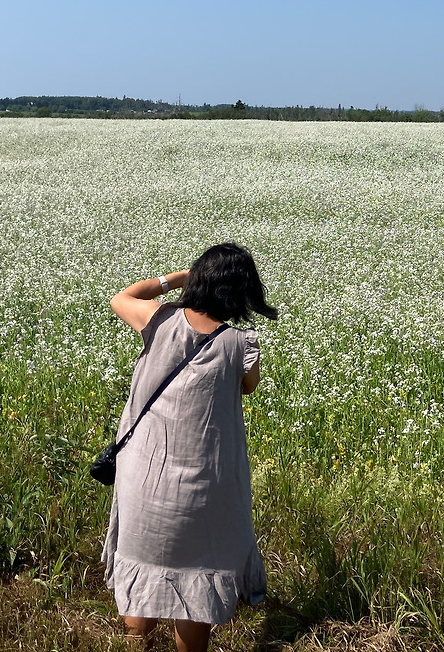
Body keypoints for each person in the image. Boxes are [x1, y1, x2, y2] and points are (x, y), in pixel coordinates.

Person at [102, 242, 277, 652]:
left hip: (144, 479)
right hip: (204, 489)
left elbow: (122, 297)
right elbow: (248, 387)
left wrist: (179, 279)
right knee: (194, 587)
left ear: (200, 280)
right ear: (242, 291)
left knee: (142, 573)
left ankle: (136, 642)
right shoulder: (240, 345)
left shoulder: (158, 320)